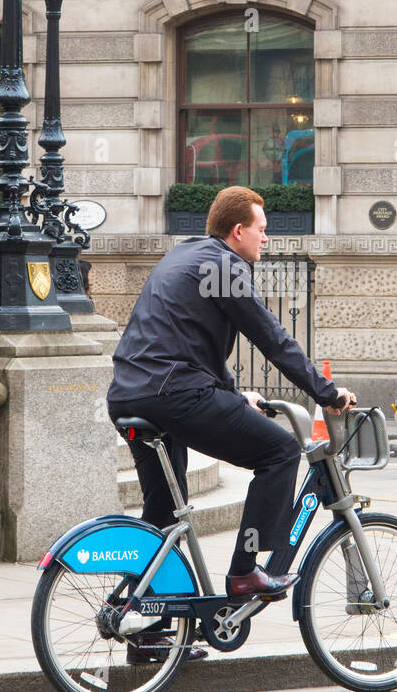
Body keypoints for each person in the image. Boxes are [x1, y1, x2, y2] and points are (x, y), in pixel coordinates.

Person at [107, 186, 356, 618]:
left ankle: (143, 621)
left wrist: (234, 393)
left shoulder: (184, 256)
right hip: (174, 395)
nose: (266, 239)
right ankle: (245, 571)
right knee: (278, 452)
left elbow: (184, 340)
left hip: (131, 394)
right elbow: (273, 339)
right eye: (261, 230)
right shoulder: (225, 266)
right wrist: (327, 392)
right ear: (237, 230)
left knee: (164, 512)